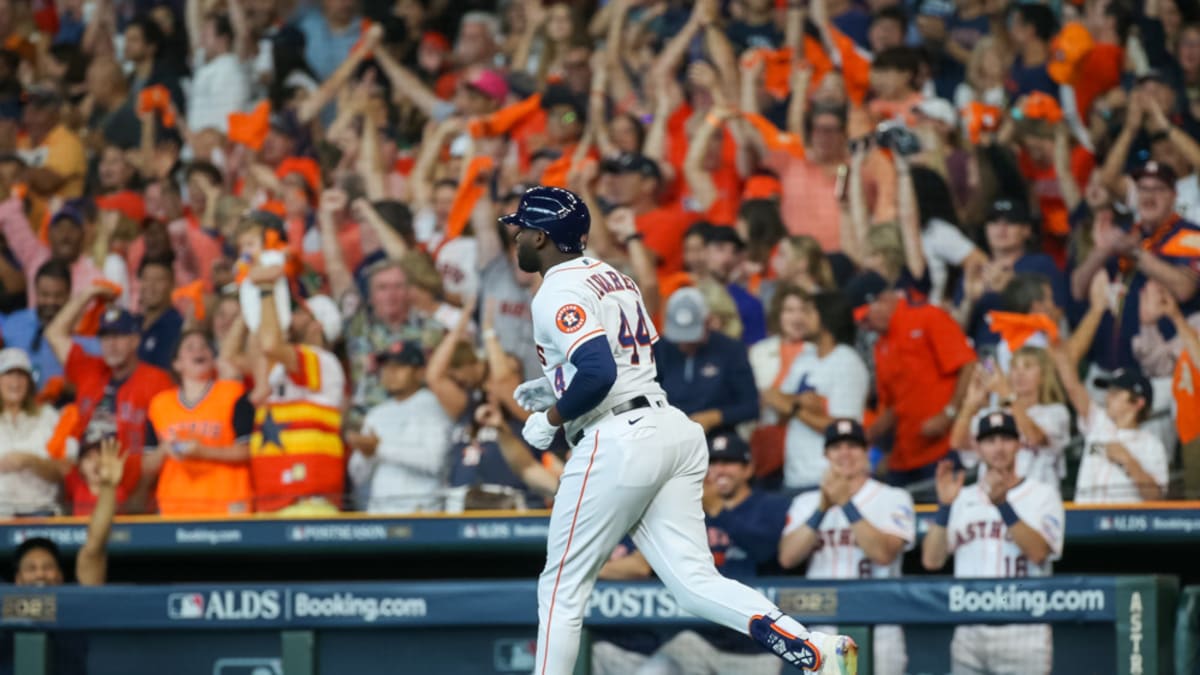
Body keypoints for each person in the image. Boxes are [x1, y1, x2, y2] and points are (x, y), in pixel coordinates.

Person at [503, 186, 856, 674]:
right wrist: (556, 385)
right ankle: (812, 647)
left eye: (521, 228)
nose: (516, 236)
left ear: (543, 238)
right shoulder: (615, 277)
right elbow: (628, 363)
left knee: (560, 589)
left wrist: (551, 419)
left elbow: (601, 372)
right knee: (694, 582)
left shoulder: (555, 291)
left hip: (618, 439)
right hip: (669, 427)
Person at [921, 411, 1065, 675]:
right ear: (977, 447)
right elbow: (932, 560)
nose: (998, 447)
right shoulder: (961, 498)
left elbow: (1038, 552)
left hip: (1024, 632)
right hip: (969, 633)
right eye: (989, 441)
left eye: (1005, 439)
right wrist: (944, 508)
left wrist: (1002, 506)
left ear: (1019, 444)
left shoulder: (1043, 495)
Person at [778, 419, 915, 675]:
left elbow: (884, 554)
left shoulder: (893, 497)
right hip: (821, 632)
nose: (844, 453)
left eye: (852, 445)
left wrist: (846, 503)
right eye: (836, 446)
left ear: (866, 451)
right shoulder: (805, 502)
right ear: (826, 454)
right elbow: (787, 557)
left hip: (880, 629)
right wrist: (822, 508)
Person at [45, 288, 175, 510]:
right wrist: (89, 293)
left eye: (119, 337)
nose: (110, 344)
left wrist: (141, 492)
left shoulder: (157, 381)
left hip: (134, 491)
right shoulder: (89, 369)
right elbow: (54, 333)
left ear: (135, 341)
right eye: (105, 337)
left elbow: (167, 444)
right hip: (86, 488)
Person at [851, 271, 977, 489]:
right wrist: (867, 438)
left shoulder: (927, 316)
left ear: (883, 300)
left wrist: (949, 413)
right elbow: (893, 406)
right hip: (905, 454)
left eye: (866, 317)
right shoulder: (880, 344)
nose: (865, 326)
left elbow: (968, 365)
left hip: (944, 447)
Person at [764, 291, 868, 490]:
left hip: (831, 478)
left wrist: (794, 408)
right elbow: (775, 400)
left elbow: (843, 429)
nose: (802, 319)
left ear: (827, 318)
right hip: (795, 476)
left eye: (809, 312)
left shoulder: (846, 361)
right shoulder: (805, 357)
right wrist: (801, 403)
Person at [145, 330, 254, 516]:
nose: (199, 351)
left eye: (204, 347)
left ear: (213, 358)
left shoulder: (234, 394)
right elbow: (146, 466)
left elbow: (250, 451)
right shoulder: (159, 404)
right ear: (177, 364)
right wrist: (164, 450)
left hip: (227, 506)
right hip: (175, 508)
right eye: (190, 348)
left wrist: (204, 452)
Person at [1051, 342, 1168, 503]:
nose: (1107, 397)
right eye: (1109, 392)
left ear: (1138, 403)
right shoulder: (1098, 423)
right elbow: (1072, 387)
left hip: (1125, 523)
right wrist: (1057, 348)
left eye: (1116, 393)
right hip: (1085, 520)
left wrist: (1129, 461)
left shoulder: (1152, 444)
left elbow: (1156, 497)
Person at [346, 341, 453, 513]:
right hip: (380, 514)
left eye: (400, 367)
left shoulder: (434, 407)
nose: (390, 373)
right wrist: (366, 455)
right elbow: (357, 476)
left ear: (420, 372)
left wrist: (379, 449)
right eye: (386, 367)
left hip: (422, 513)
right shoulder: (376, 414)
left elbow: (435, 462)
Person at [951, 347, 1072, 491]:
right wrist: (970, 404)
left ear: (1044, 375)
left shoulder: (1056, 412)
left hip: (1038, 501)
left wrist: (1006, 393)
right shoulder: (992, 415)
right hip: (994, 500)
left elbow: (1035, 437)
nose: (1020, 373)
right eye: (1014, 367)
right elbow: (958, 443)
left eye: (1028, 366)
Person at [652, 287, 760, 436]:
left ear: (708, 322)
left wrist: (715, 417)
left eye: (691, 335)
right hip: (667, 434)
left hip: (717, 438)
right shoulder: (658, 350)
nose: (685, 342)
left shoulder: (730, 350)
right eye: (679, 335)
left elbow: (751, 406)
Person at [0, 348, 63, 516]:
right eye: (8, 374)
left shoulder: (48, 416)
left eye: (21, 375)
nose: (15, 381)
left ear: (30, 382)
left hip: (41, 508)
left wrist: (31, 461)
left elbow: (63, 472)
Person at [136, 256, 184, 370]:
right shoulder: (132, 323)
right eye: (145, 278)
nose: (150, 286)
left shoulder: (176, 326)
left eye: (158, 280)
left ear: (172, 285)